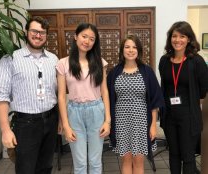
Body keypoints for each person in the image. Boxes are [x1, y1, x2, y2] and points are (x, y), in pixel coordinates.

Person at [0, 16, 59, 174]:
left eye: (42, 33)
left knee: (46, 166)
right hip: (25, 124)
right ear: (26, 32)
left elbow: (57, 92)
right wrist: (6, 130)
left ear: (46, 35)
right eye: (34, 31)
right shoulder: (10, 59)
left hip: (50, 120)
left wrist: (60, 120)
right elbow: (1, 96)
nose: (38, 35)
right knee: (25, 168)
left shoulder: (53, 59)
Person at [56, 23, 111, 174]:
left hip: (96, 111)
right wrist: (66, 125)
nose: (87, 41)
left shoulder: (100, 62)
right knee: (79, 163)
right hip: (74, 113)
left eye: (91, 39)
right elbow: (61, 96)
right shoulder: (63, 63)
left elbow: (104, 91)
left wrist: (107, 120)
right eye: (84, 36)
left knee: (95, 161)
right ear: (75, 37)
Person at [107, 34, 164, 174]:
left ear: (139, 50)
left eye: (134, 47)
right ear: (122, 50)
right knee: (125, 160)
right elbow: (108, 99)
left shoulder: (147, 72)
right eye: (127, 47)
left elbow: (155, 100)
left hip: (141, 122)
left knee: (138, 162)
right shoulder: (114, 73)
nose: (131, 50)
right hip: (120, 122)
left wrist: (153, 126)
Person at [159, 21, 208, 174]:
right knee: (173, 155)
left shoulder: (197, 61)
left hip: (189, 116)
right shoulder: (164, 60)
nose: (177, 40)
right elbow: (165, 87)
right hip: (169, 116)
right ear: (170, 38)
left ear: (188, 39)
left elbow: (203, 90)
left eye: (182, 36)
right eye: (174, 36)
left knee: (188, 156)